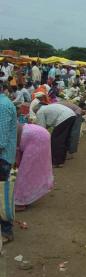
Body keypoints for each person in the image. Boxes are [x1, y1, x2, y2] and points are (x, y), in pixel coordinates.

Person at [14, 123, 53, 211]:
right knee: (34, 168)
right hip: (37, 133)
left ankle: (20, 202)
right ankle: (27, 196)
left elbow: (15, 157)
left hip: (35, 138)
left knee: (27, 171)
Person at [0, 83, 17, 244]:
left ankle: (6, 231)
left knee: (2, 194)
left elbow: (1, 140)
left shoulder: (2, 106)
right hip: (4, 157)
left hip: (2, 157)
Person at [34, 103, 76, 167]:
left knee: (56, 140)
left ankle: (56, 162)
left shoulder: (40, 111)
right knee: (64, 139)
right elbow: (46, 124)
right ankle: (61, 160)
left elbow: (41, 128)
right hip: (71, 115)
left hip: (63, 118)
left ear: (36, 110)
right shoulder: (46, 107)